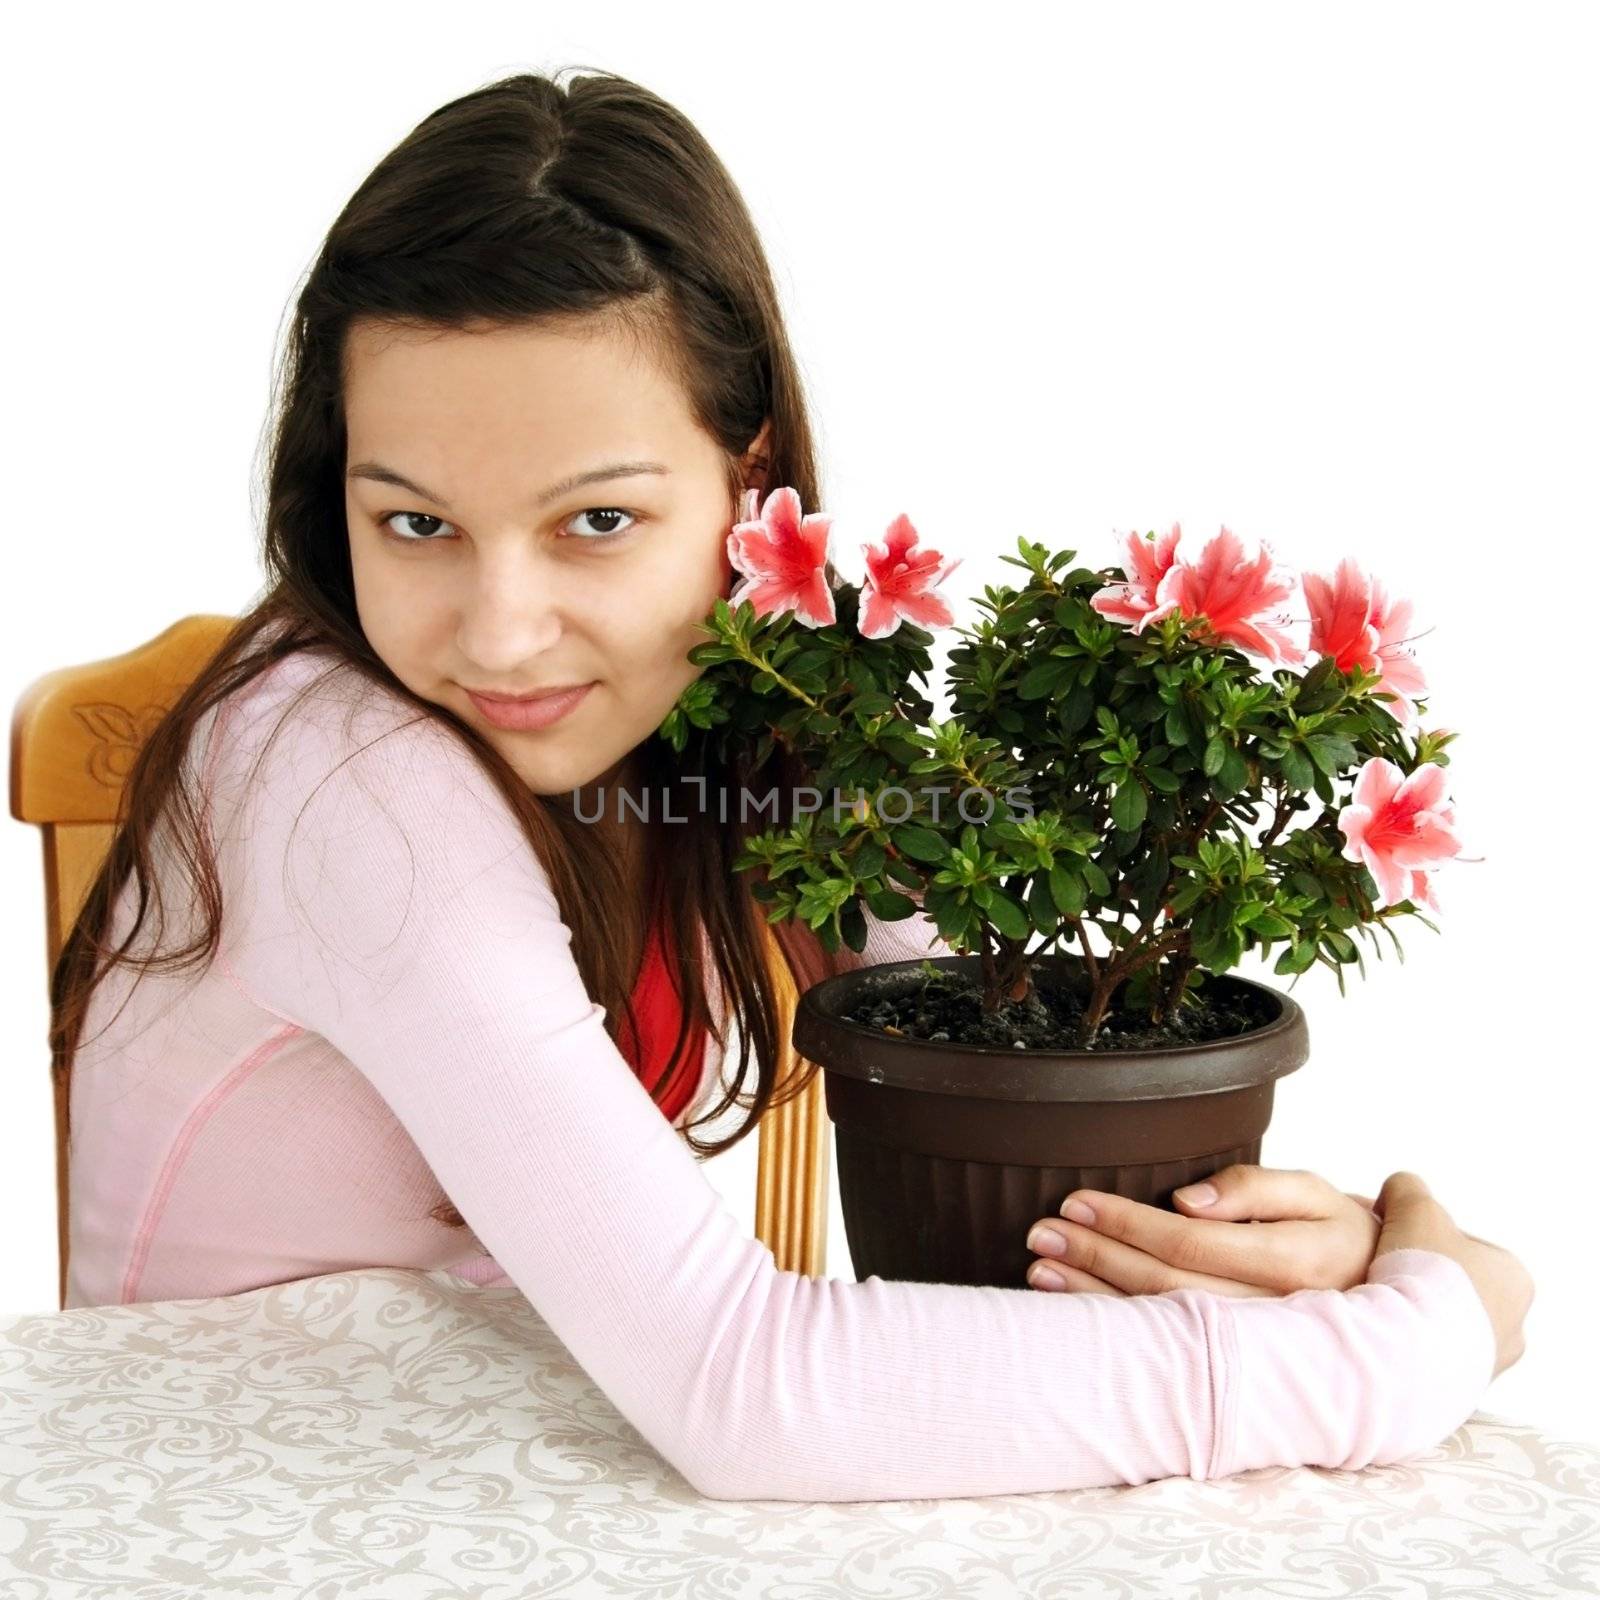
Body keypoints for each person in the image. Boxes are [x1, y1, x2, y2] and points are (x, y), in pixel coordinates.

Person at [49, 67, 1531, 1503]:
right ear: (339, 494)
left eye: (598, 522)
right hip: (249, 1521)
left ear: (746, 484)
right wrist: (1416, 1340)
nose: (498, 630)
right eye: (419, 522)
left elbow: (1009, 1103)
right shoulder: (344, 780)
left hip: (547, 1495)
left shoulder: (756, 718)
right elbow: (748, 1393)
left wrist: (1293, 1244)